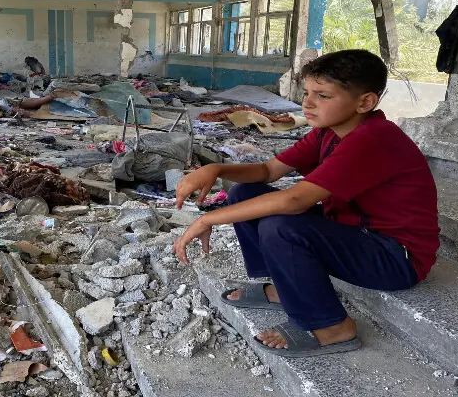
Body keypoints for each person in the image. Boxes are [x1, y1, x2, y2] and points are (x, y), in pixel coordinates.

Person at [172, 49, 439, 358]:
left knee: (282, 226)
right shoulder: (328, 133)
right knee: (244, 193)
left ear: (365, 102)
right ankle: (283, 290)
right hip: (355, 233)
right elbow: (269, 171)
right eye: (307, 92)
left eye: (323, 96)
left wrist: (207, 219)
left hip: (396, 258)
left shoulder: (373, 139)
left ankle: (333, 328)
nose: (307, 103)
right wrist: (215, 169)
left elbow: (295, 200)